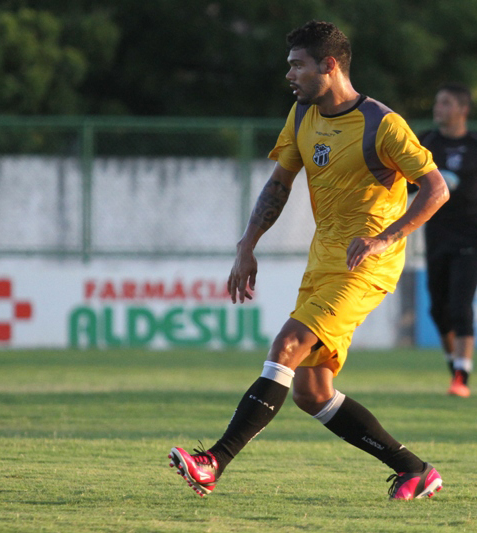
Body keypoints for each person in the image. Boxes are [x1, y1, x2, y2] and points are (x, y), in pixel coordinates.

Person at [167, 20, 449, 501]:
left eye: (298, 65)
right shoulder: (301, 116)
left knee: (288, 344)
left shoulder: (383, 125)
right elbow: (279, 185)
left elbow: (437, 189)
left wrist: (386, 238)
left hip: (367, 267)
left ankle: (214, 461)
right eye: (290, 66)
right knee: (311, 392)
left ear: (330, 65)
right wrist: (246, 245)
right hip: (323, 262)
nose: (290, 75)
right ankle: (414, 470)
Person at [417, 82, 477, 398]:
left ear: (462, 109)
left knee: (460, 307)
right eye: (437, 103)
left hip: (471, 236)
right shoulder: (426, 142)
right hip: (436, 235)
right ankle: (454, 367)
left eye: (444, 103)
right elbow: (403, 183)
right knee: (437, 311)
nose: (437, 108)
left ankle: (462, 376)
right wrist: (435, 178)